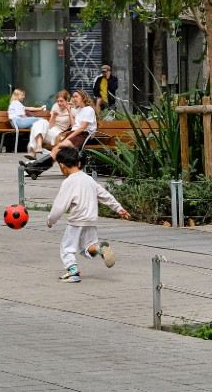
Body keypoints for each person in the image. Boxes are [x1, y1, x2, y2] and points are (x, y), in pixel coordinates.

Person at [47, 146, 130, 282]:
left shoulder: (69, 182)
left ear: (62, 165)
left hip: (77, 220)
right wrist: (118, 208)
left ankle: (73, 272)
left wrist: (51, 220)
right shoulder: (88, 179)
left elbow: (59, 206)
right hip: (91, 220)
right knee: (86, 247)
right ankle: (100, 249)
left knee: (67, 247)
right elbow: (104, 195)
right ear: (78, 163)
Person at [24, 89, 98, 172]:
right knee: (57, 149)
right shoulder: (79, 110)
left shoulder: (89, 109)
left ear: (83, 97)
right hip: (75, 133)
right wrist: (69, 111)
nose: (74, 99)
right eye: (73, 97)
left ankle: (34, 167)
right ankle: (35, 169)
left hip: (83, 135)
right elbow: (74, 126)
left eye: (76, 96)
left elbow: (82, 128)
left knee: (59, 148)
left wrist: (67, 138)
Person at [25, 90, 75, 159]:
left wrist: (69, 112)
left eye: (61, 101)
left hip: (59, 135)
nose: (59, 103)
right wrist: (54, 116)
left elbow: (74, 127)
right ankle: (39, 146)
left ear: (67, 100)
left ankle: (32, 151)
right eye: (58, 101)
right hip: (50, 131)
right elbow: (50, 126)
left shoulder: (72, 110)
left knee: (35, 129)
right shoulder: (55, 106)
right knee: (41, 122)